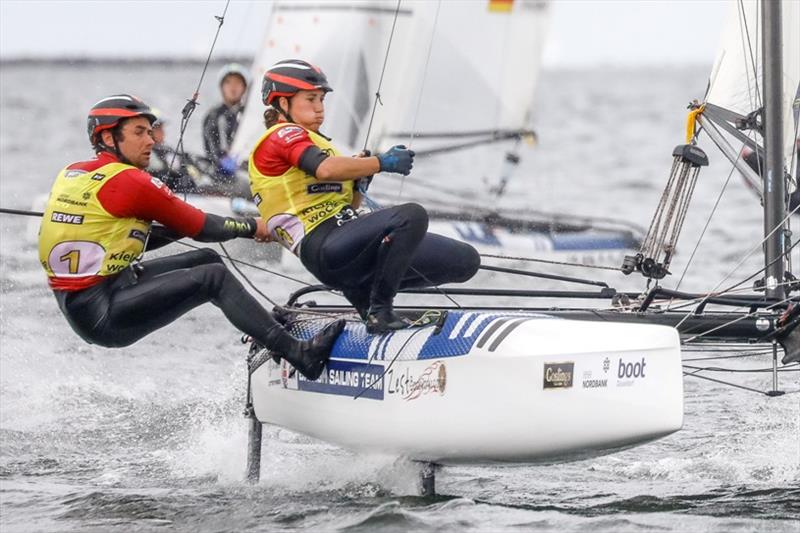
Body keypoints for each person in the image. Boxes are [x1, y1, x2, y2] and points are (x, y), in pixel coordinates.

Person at [38, 94, 343, 379]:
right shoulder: (130, 180)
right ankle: (300, 355)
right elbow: (202, 227)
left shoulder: (73, 172)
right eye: (140, 133)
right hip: (103, 312)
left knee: (207, 259)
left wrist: (179, 224)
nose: (151, 140)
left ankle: (268, 330)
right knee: (213, 278)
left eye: (151, 131)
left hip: (92, 296)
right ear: (108, 138)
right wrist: (255, 226)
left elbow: (133, 240)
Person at [248, 59, 480, 334]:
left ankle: (367, 299)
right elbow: (324, 170)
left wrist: (359, 182)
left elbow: (350, 205)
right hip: (321, 246)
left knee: (465, 261)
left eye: (321, 99)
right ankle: (379, 311)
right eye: (310, 99)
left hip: (345, 242)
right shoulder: (282, 134)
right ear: (282, 103)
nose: (320, 107)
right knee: (411, 216)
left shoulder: (319, 143)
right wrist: (381, 162)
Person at [202, 63, 249, 194]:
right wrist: (223, 162)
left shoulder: (250, 115)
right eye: (228, 83)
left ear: (244, 87)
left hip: (248, 168)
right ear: (222, 87)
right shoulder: (213, 116)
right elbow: (211, 150)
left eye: (238, 83)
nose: (233, 87)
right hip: (221, 172)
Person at [147, 109, 202, 193]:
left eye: (162, 128)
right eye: (158, 128)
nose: (162, 132)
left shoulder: (166, 149)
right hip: (167, 192)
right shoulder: (148, 153)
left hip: (184, 190)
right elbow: (159, 175)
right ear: (150, 131)